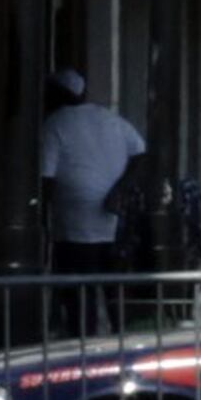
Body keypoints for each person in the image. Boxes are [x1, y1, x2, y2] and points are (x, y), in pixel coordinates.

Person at [38, 70, 148, 278]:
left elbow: (46, 179)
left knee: (74, 289)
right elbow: (141, 153)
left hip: (73, 227)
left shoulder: (54, 124)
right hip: (110, 224)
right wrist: (119, 189)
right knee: (109, 290)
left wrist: (39, 215)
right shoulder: (110, 119)